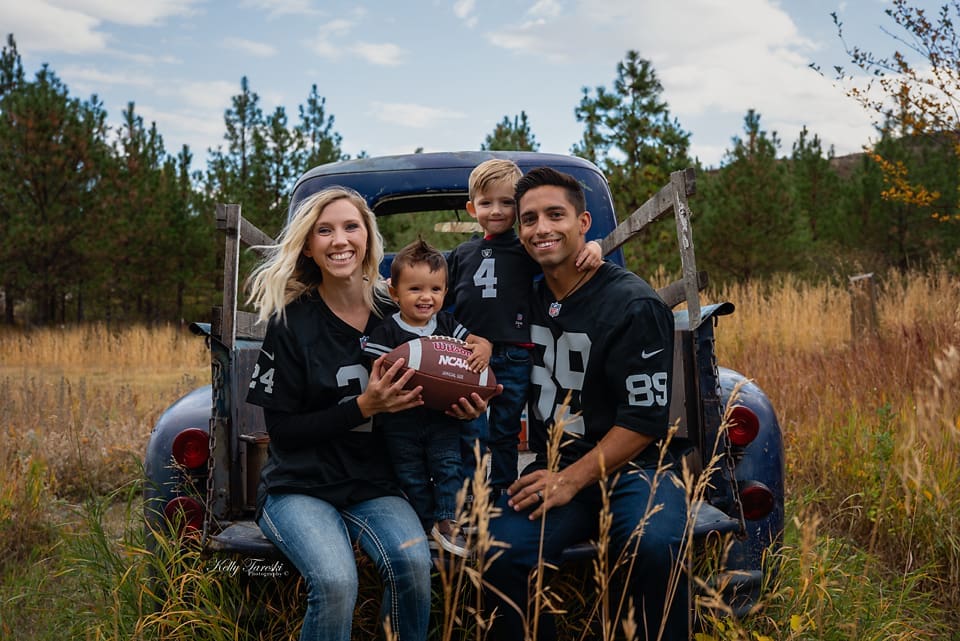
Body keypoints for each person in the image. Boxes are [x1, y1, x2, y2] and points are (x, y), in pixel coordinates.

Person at [244, 187, 490, 641]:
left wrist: (465, 400)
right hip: (301, 486)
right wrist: (363, 407)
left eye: (350, 226)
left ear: (368, 238)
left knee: (414, 566)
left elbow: (443, 375)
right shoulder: (292, 321)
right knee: (336, 582)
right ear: (309, 245)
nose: (339, 240)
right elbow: (281, 433)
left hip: (375, 484)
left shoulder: (397, 308)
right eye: (325, 230)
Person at [483, 167, 689, 641]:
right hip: (556, 461)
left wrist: (569, 482)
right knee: (499, 550)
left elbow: (643, 422)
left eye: (556, 215)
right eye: (529, 219)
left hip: (635, 465)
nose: (542, 229)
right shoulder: (519, 296)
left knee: (651, 544)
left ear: (584, 223)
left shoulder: (631, 303)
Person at [446, 159, 602, 496]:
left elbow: (568, 256)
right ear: (472, 208)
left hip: (515, 353)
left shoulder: (527, 250)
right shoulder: (461, 253)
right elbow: (432, 284)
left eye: (507, 203)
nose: (497, 211)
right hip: (469, 354)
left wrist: (594, 246)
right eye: (487, 203)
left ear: (518, 208)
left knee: (504, 429)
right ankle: (468, 494)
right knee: (470, 428)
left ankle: (500, 489)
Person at [362, 238, 494, 557]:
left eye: (435, 290)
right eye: (415, 289)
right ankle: (424, 521)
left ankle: (447, 521)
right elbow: (375, 367)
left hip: (442, 416)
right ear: (394, 292)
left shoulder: (447, 324)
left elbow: (476, 341)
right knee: (410, 472)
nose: (426, 297)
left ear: (445, 293)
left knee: (448, 465)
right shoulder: (387, 330)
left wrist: (485, 348)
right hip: (400, 419)